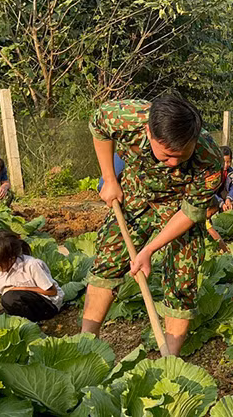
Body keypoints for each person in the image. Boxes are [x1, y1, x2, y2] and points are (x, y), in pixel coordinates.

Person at [81, 96, 223, 356]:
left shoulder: (209, 159)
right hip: (136, 194)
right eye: (167, 155)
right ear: (148, 131)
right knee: (109, 257)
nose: (174, 163)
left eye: (182, 156)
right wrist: (109, 178)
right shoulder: (126, 116)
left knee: (183, 276)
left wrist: (149, 250)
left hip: (178, 207)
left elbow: (191, 212)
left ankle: (169, 358)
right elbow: (97, 125)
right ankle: (85, 343)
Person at [0, 230, 64, 321]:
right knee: (0, 318)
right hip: (23, 303)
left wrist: (20, 288)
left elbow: (51, 291)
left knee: (10, 297)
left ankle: (31, 323)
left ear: (11, 258)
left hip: (48, 305)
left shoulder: (31, 265)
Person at [217, 146, 233, 212]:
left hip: (222, 195)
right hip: (213, 197)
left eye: (228, 162)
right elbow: (210, 192)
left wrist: (229, 198)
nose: (226, 165)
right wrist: (220, 202)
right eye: (224, 162)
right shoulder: (213, 172)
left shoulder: (230, 172)